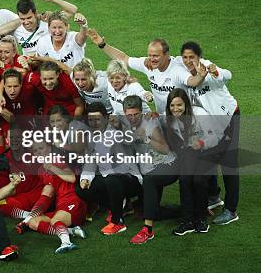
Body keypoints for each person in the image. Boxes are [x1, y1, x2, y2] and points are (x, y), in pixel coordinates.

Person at [177, 41, 239, 224]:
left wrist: (215, 71)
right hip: (209, 123)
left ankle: (231, 210)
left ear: (199, 57)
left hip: (229, 117)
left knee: (229, 163)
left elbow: (228, 75)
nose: (188, 61)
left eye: (192, 57)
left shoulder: (207, 66)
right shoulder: (182, 71)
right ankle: (213, 197)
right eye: (185, 57)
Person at [88, 30, 205, 114]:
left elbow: (192, 82)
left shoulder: (176, 70)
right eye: (150, 55)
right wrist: (102, 45)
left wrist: (201, 76)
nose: (152, 59)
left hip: (183, 113)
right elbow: (124, 58)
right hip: (163, 116)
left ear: (166, 54)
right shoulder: (147, 64)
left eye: (156, 56)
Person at [76, 103, 143, 235]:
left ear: (106, 118)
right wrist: (85, 179)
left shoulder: (117, 131)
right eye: (90, 120)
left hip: (130, 178)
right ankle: (120, 205)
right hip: (109, 180)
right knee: (81, 189)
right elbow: (90, 162)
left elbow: (130, 139)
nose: (94, 123)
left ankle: (118, 222)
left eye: (97, 119)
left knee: (112, 180)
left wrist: (119, 126)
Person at [165, 89, 222, 236]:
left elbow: (215, 137)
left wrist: (202, 142)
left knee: (198, 180)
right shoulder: (170, 119)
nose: (175, 109)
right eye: (172, 105)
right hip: (192, 150)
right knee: (184, 179)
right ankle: (188, 221)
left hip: (211, 149)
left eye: (179, 105)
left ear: (186, 104)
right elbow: (155, 118)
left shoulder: (200, 114)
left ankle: (201, 218)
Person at [122, 95, 177, 244]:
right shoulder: (123, 124)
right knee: (152, 211)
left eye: (136, 114)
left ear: (141, 111)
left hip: (166, 166)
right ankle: (189, 210)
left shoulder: (150, 123)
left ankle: (148, 230)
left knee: (149, 183)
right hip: (147, 170)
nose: (133, 118)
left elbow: (165, 149)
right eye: (129, 115)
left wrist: (146, 138)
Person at [17, 141, 87, 254]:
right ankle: (71, 231)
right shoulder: (41, 170)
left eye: (41, 148)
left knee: (56, 220)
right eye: (35, 150)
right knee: (33, 223)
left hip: (73, 201)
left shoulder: (56, 159)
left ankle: (66, 242)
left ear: (49, 148)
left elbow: (72, 178)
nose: (38, 152)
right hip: (60, 205)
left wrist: (52, 167)